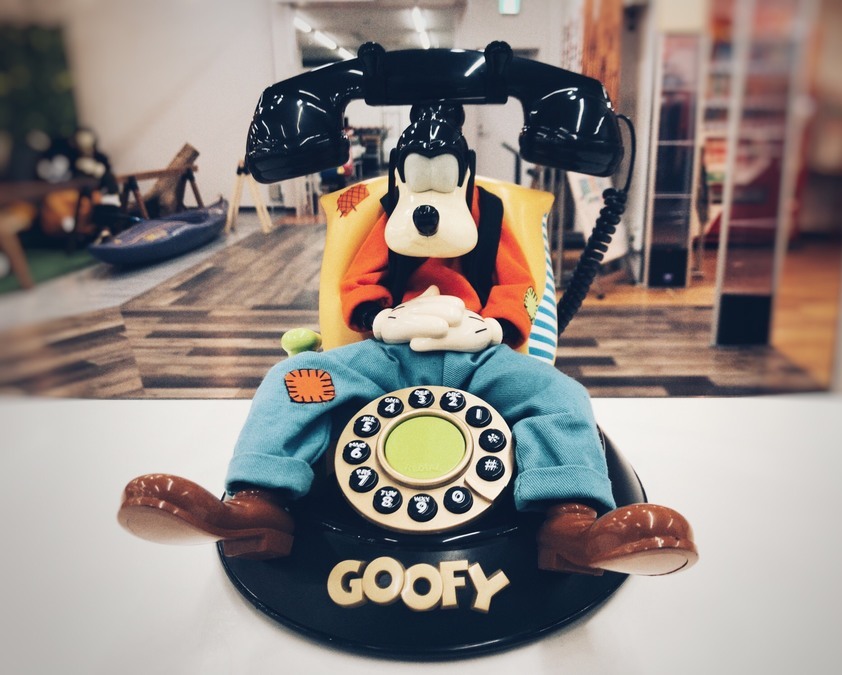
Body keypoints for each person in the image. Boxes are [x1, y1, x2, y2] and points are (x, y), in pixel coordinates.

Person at [119, 104, 697, 576]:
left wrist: (495, 326)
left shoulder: (492, 215)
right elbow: (358, 280)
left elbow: (520, 286)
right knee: (293, 380)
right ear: (399, 175)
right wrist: (380, 318)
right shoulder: (386, 215)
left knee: (559, 394)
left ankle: (571, 521)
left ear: (465, 174)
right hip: (387, 356)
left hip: (480, 357)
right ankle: (256, 505)